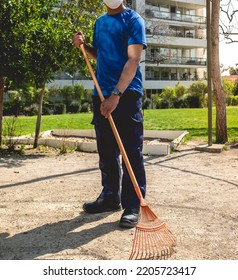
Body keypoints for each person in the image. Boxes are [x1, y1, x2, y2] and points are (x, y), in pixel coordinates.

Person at [72, 0, 147, 228]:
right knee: (106, 151)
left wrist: (116, 94)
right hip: (101, 95)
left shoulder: (134, 20)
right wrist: (83, 47)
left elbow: (133, 59)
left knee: (131, 152)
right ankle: (110, 197)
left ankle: (133, 205)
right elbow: (100, 55)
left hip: (126, 94)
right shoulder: (100, 22)